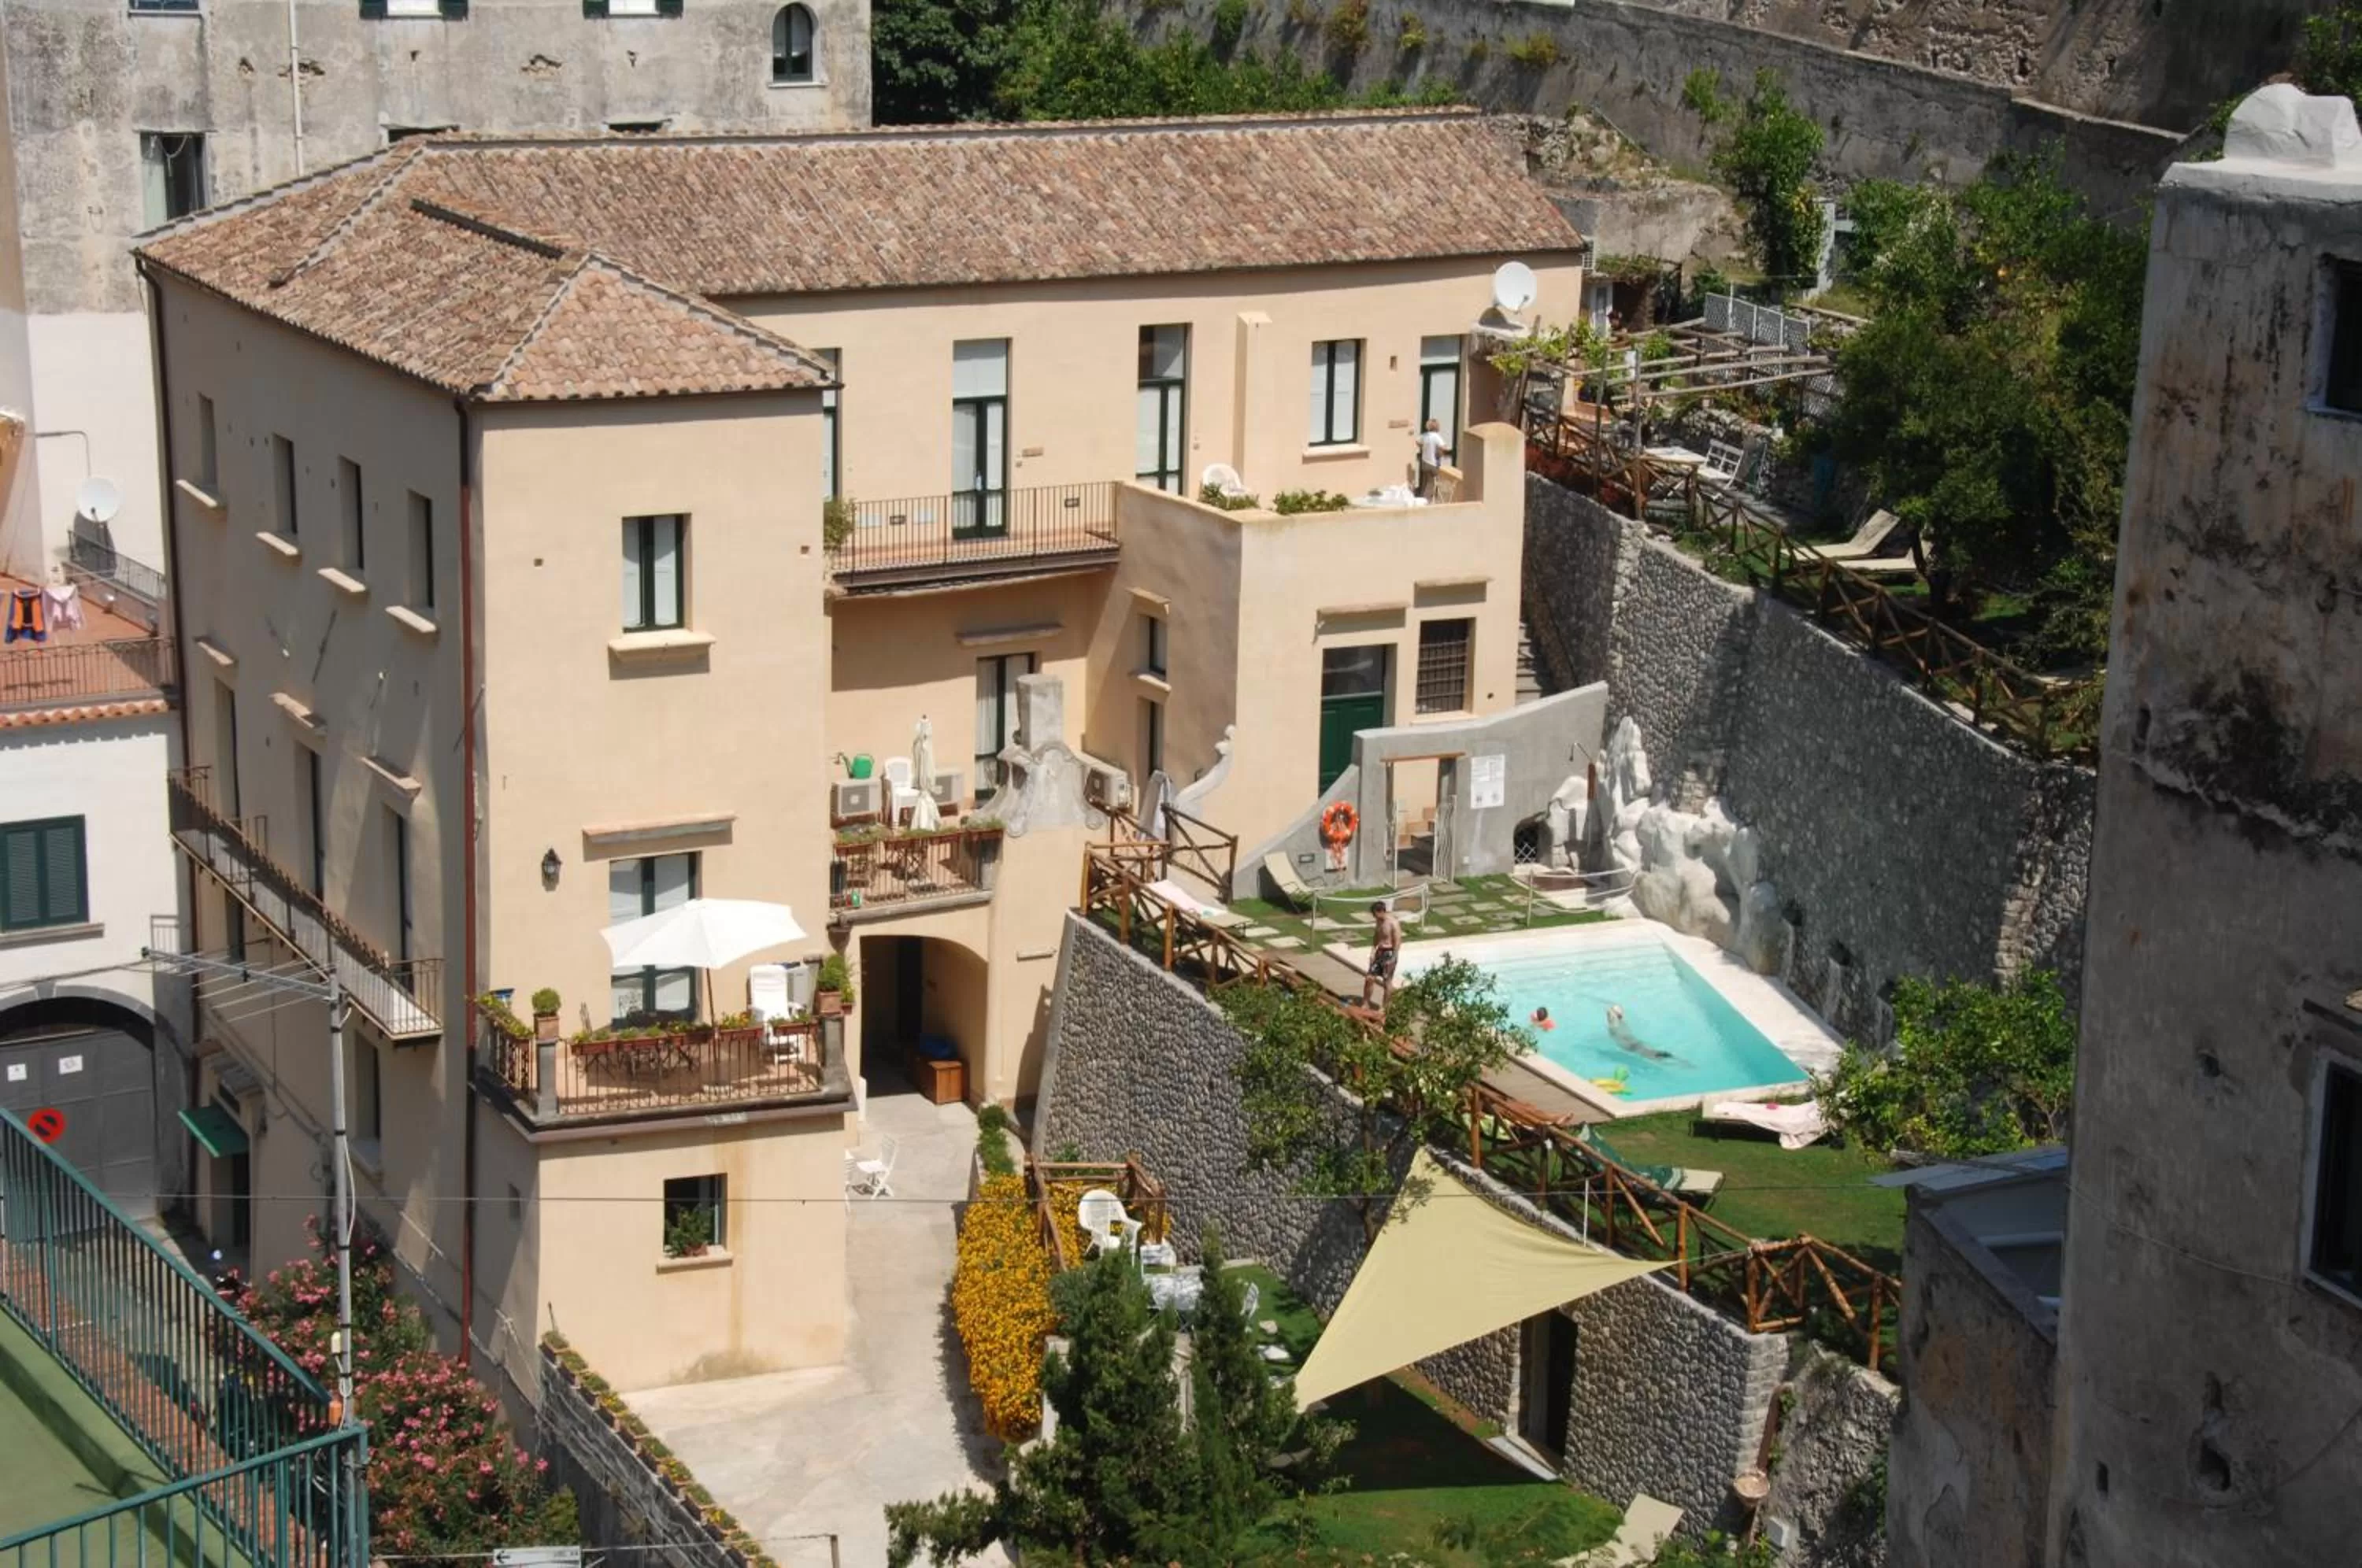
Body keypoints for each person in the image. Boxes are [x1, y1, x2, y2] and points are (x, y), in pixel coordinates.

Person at [1364, 900, 1402, 1006]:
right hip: (1379, 952)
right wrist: (1372, 952)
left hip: (1389, 953)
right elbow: (1376, 938)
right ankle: (1366, 1003)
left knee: (1387, 982)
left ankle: (1385, 1007)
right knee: (1369, 978)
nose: (1374, 916)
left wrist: (1393, 959)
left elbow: (1398, 942)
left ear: (1380, 911)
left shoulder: (1393, 923)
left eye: (1374, 914)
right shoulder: (1378, 921)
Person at [1413, 418, 1446, 497]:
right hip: (1432, 463)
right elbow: (1444, 447)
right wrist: (1439, 452)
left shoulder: (1425, 436)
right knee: (1431, 483)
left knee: (1425, 482)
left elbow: (1417, 441)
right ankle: (1426, 500)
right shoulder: (1436, 437)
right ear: (1437, 427)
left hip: (1424, 462)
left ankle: (1421, 498)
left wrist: (1423, 447)